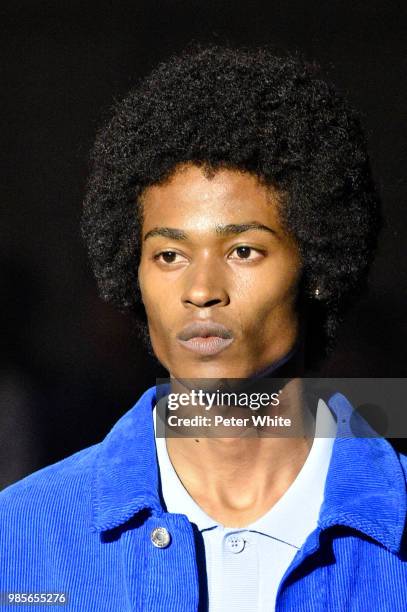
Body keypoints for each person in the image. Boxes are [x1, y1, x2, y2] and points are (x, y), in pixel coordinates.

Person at [0, 44, 406, 612]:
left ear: (316, 264)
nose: (200, 289)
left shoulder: (398, 528)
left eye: (243, 250)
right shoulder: (22, 536)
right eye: (169, 255)